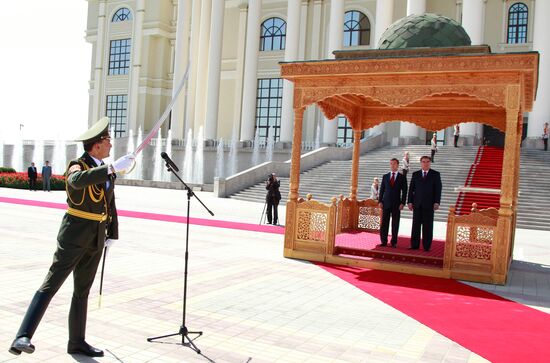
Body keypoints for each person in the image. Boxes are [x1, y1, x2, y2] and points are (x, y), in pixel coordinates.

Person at [9, 117, 135, 357]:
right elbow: (75, 182)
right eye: (108, 140)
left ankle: (76, 342)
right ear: (96, 145)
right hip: (74, 236)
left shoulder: (107, 172)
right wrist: (110, 168)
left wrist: (113, 233)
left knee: (82, 291)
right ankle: (22, 336)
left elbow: (111, 204)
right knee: (52, 283)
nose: (111, 143)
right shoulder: (78, 165)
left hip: (96, 237)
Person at [407, 156, 442, 252]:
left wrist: (437, 202)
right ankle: (414, 245)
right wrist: (409, 201)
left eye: (427, 161)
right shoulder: (415, 174)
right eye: (423, 162)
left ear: (430, 163)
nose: (425, 163)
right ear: (420, 163)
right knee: (415, 225)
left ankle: (427, 246)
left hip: (429, 204)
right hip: (417, 204)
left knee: (428, 226)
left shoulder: (435, 174)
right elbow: (411, 189)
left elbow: (438, 189)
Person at [378, 158, 408, 248]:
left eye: (394, 164)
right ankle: (383, 241)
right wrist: (380, 201)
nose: (392, 165)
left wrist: (403, 203)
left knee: (395, 223)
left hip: (397, 204)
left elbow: (405, 191)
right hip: (385, 203)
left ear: (398, 165)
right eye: (391, 164)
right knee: (384, 223)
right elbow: (382, 190)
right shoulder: (385, 176)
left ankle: (394, 242)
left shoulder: (402, 177)